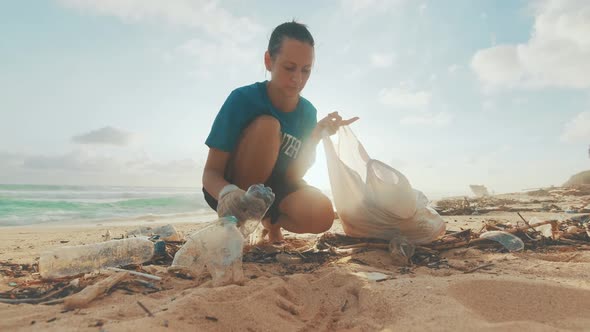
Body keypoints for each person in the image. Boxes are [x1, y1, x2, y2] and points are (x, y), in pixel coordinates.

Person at [202, 21, 358, 243]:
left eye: (306, 70)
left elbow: (292, 177)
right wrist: (228, 194)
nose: (298, 79)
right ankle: (241, 221)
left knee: (322, 214)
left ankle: (270, 222)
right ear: (269, 61)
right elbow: (210, 173)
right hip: (233, 190)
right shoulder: (243, 99)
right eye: (289, 67)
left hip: (274, 190)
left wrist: (315, 135)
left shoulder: (307, 112)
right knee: (269, 125)